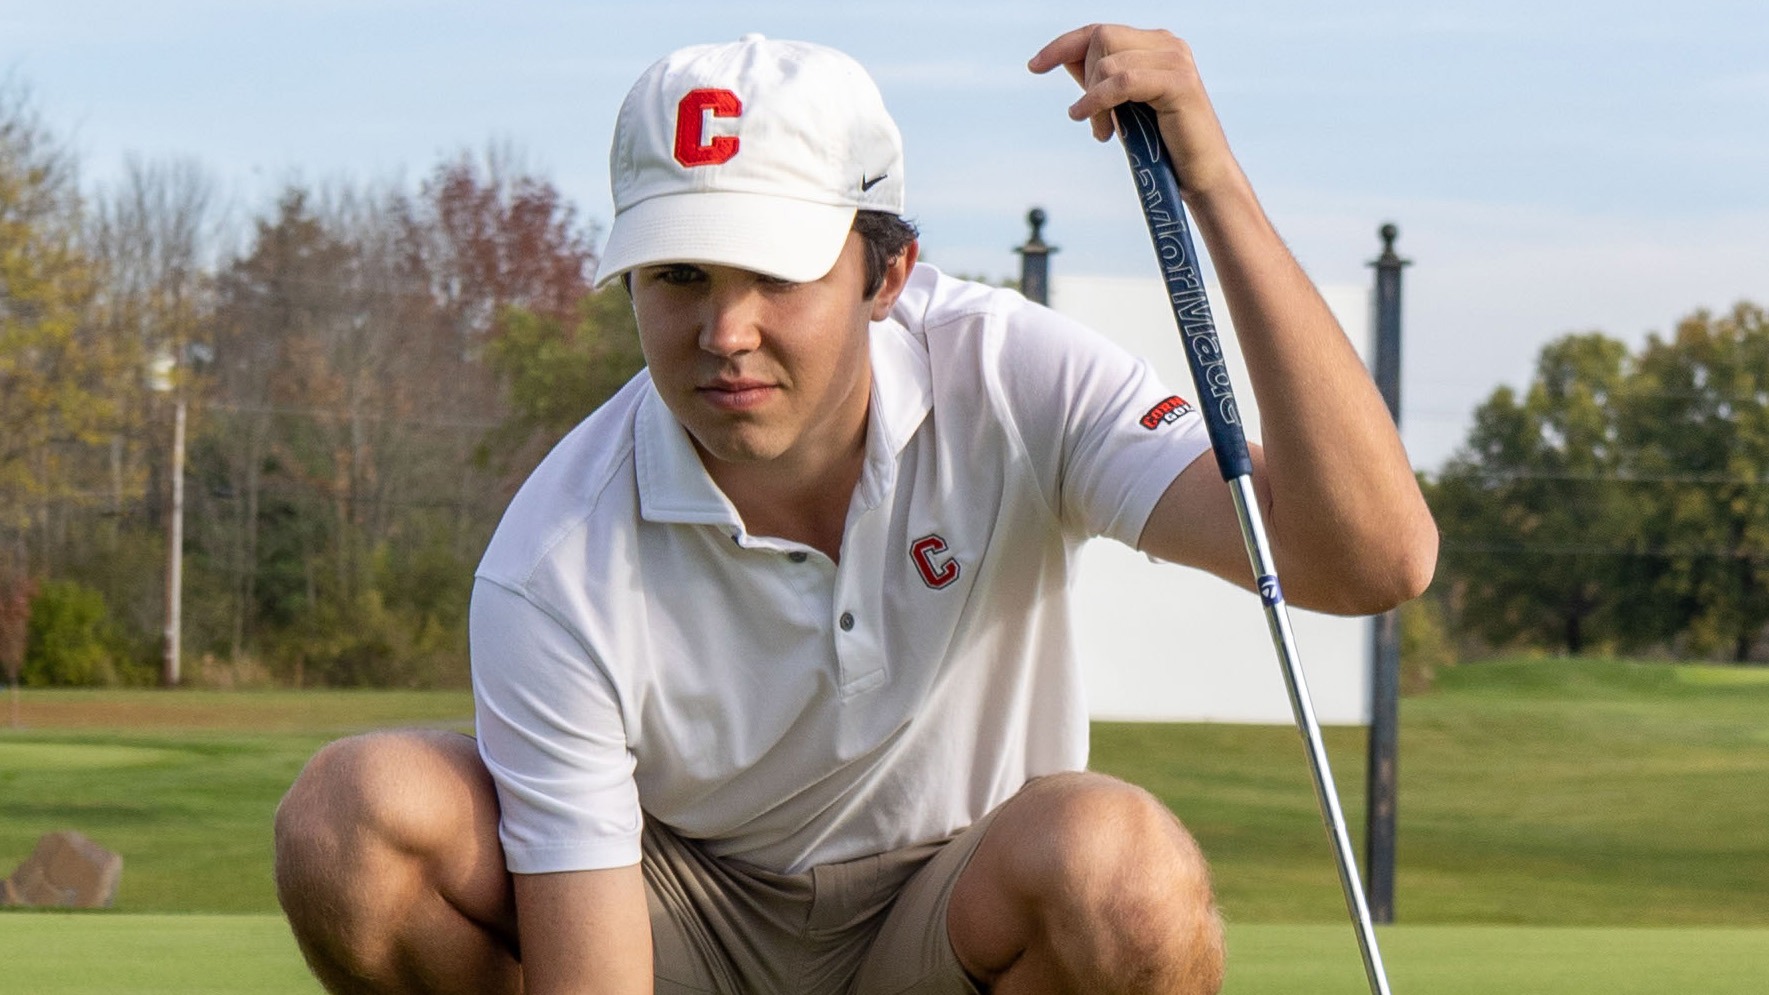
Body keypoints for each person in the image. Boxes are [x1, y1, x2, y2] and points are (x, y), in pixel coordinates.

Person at [273, 23, 1436, 995]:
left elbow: (1369, 560)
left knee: (1119, 868)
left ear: (885, 274)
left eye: (773, 275)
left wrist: (1213, 185)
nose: (723, 334)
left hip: (953, 910)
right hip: (681, 912)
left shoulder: (1009, 372)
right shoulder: (553, 554)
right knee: (352, 818)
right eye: (678, 276)